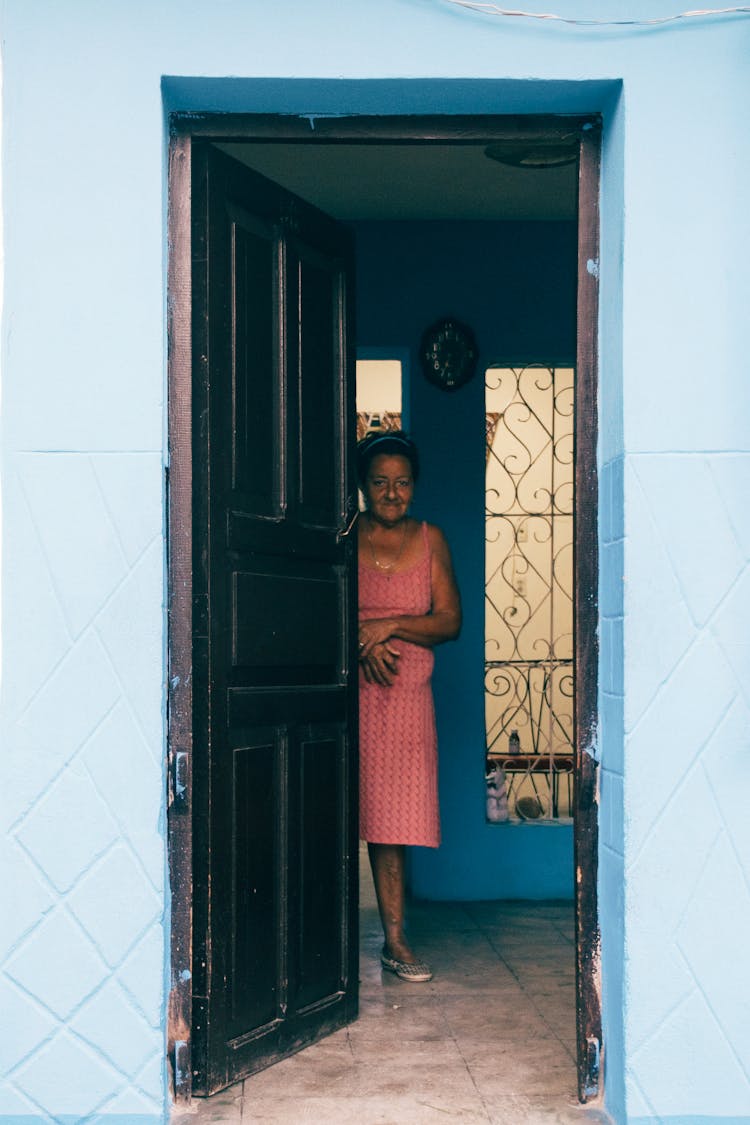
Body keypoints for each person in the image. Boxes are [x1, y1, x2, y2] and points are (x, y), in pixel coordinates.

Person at [357, 431, 461, 982]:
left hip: (406, 699)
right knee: (340, 812)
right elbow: (312, 606)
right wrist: (362, 645)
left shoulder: (430, 539)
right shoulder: (348, 538)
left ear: (413, 486)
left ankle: (395, 940)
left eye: (401, 483)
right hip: (350, 694)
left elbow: (450, 621)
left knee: (392, 817)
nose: (392, 494)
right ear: (363, 487)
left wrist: (389, 626)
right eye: (380, 483)